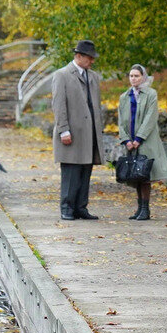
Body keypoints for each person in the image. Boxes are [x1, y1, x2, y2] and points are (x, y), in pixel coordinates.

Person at [51, 40, 105, 220]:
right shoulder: (62, 75)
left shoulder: (94, 77)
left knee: (85, 171)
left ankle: (81, 207)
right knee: (71, 172)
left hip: (90, 134)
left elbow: (95, 105)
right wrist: (63, 130)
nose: (92, 61)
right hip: (72, 132)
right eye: (89, 57)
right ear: (79, 56)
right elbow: (59, 105)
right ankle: (66, 208)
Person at [117, 64, 167, 221]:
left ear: (143, 77)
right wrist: (126, 139)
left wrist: (139, 138)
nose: (133, 79)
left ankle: (145, 209)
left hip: (145, 141)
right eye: (131, 76)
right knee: (135, 175)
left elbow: (151, 117)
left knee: (145, 174)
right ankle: (139, 208)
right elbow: (120, 120)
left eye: (136, 76)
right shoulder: (124, 96)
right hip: (130, 141)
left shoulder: (151, 94)